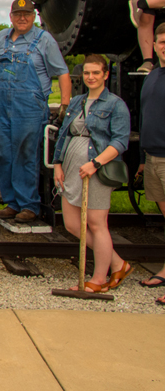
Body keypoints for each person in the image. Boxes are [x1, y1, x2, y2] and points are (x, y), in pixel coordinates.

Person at [0, 0, 71, 224]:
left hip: (30, 106)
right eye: (18, 14)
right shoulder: (1, 37)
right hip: (3, 105)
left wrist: (65, 105)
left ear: (34, 17)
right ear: (11, 16)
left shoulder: (43, 40)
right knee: (2, 154)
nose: (22, 18)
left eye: (27, 14)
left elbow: (62, 72)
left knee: (25, 154)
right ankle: (12, 203)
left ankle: (28, 205)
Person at [52, 54, 133, 293]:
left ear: (106, 74)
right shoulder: (77, 102)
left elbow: (120, 142)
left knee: (97, 225)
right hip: (71, 167)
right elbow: (63, 135)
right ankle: (118, 263)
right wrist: (57, 164)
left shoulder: (115, 104)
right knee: (73, 224)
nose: (91, 77)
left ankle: (99, 279)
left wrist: (95, 163)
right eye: (87, 73)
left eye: (96, 73)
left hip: (95, 169)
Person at [139, 23, 165, 298]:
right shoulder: (153, 76)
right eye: (160, 42)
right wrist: (143, 157)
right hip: (154, 155)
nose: (164, 46)